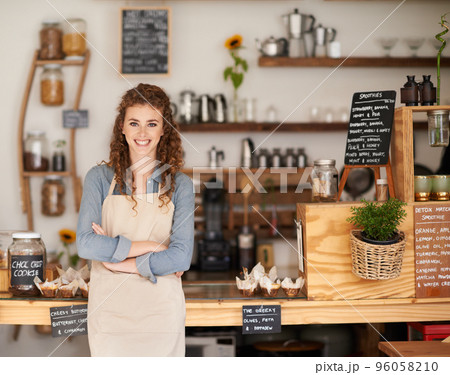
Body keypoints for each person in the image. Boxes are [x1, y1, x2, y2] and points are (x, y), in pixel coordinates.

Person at [76, 83, 194, 357]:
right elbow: (86, 245)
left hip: (161, 314)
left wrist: (120, 263)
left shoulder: (181, 185)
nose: (142, 133)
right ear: (122, 127)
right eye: (134, 123)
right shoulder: (100, 178)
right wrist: (152, 247)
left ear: (164, 129)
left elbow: (180, 258)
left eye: (152, 123)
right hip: (110, 314)